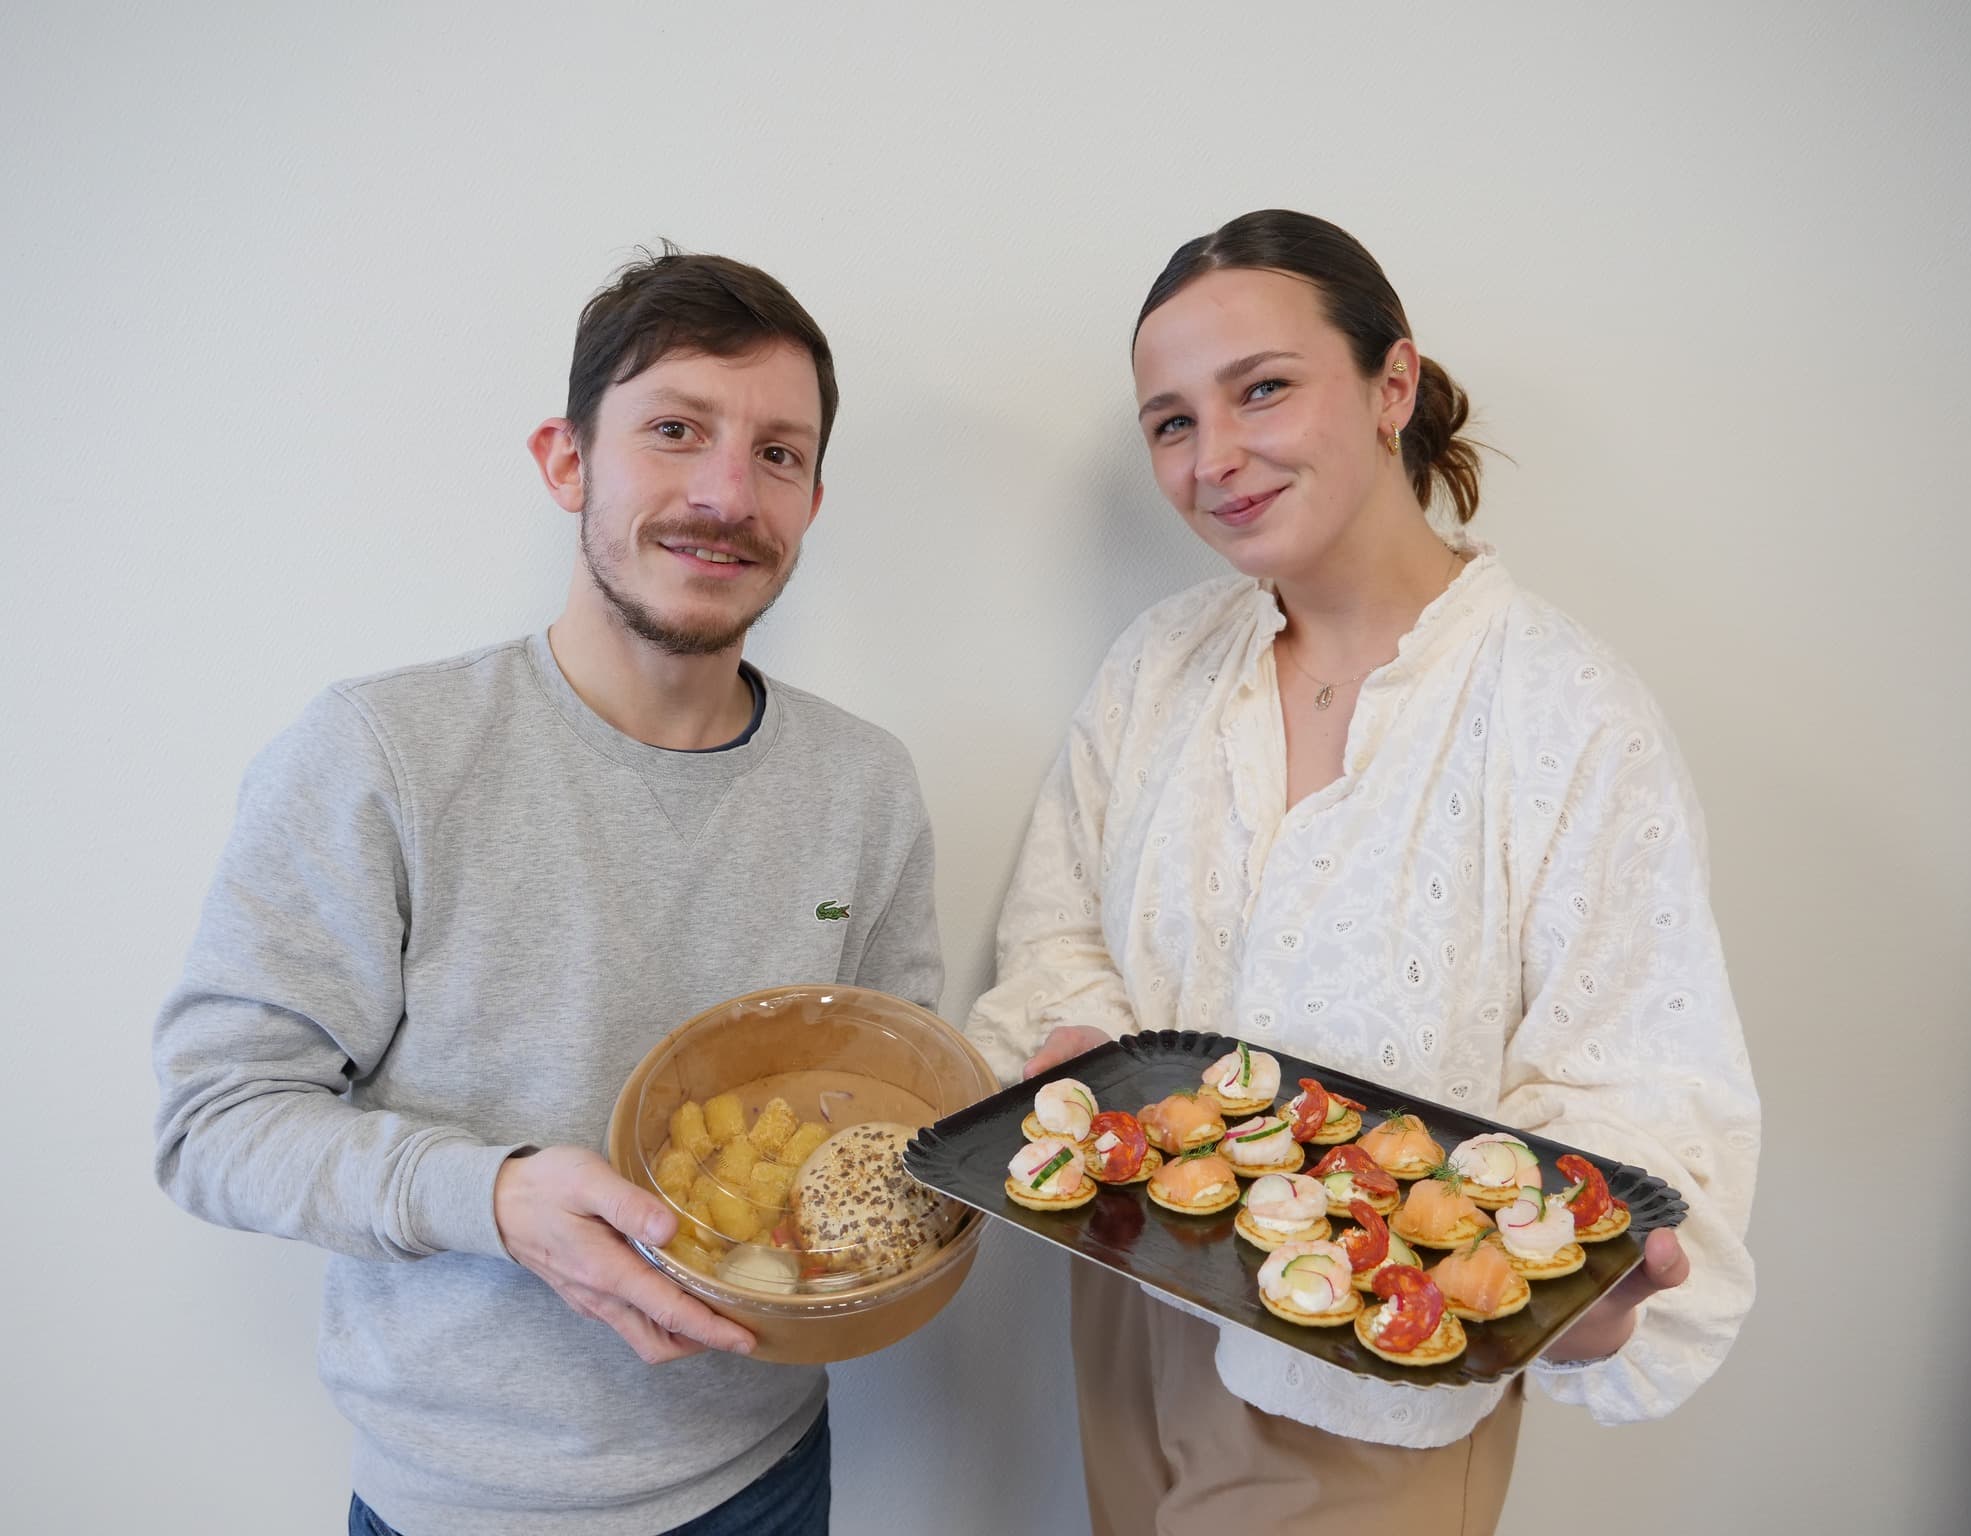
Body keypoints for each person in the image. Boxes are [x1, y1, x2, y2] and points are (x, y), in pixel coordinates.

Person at [966, 209, 1760, 1534]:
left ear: (1393, 385)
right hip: (1128, 1309)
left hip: (1376, 1388)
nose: (1215, 456)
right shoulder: (1157, 665)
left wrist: (1583, 1287)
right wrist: (1071, 1038)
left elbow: (1640, 1073)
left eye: (1262, 389)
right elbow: (1062, 928)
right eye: (1171, 421)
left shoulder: (1567, 714)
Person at [152, 245, 942, 1536]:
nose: (727, 493)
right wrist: (498, 1198)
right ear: (566, 461)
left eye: (779, 454)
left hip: (770, 1472)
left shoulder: (865, 782)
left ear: (810, 499)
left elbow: (895, 1096)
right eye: (676, 430)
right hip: (462, 1500)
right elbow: (216, 1123)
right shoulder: (380, 753)